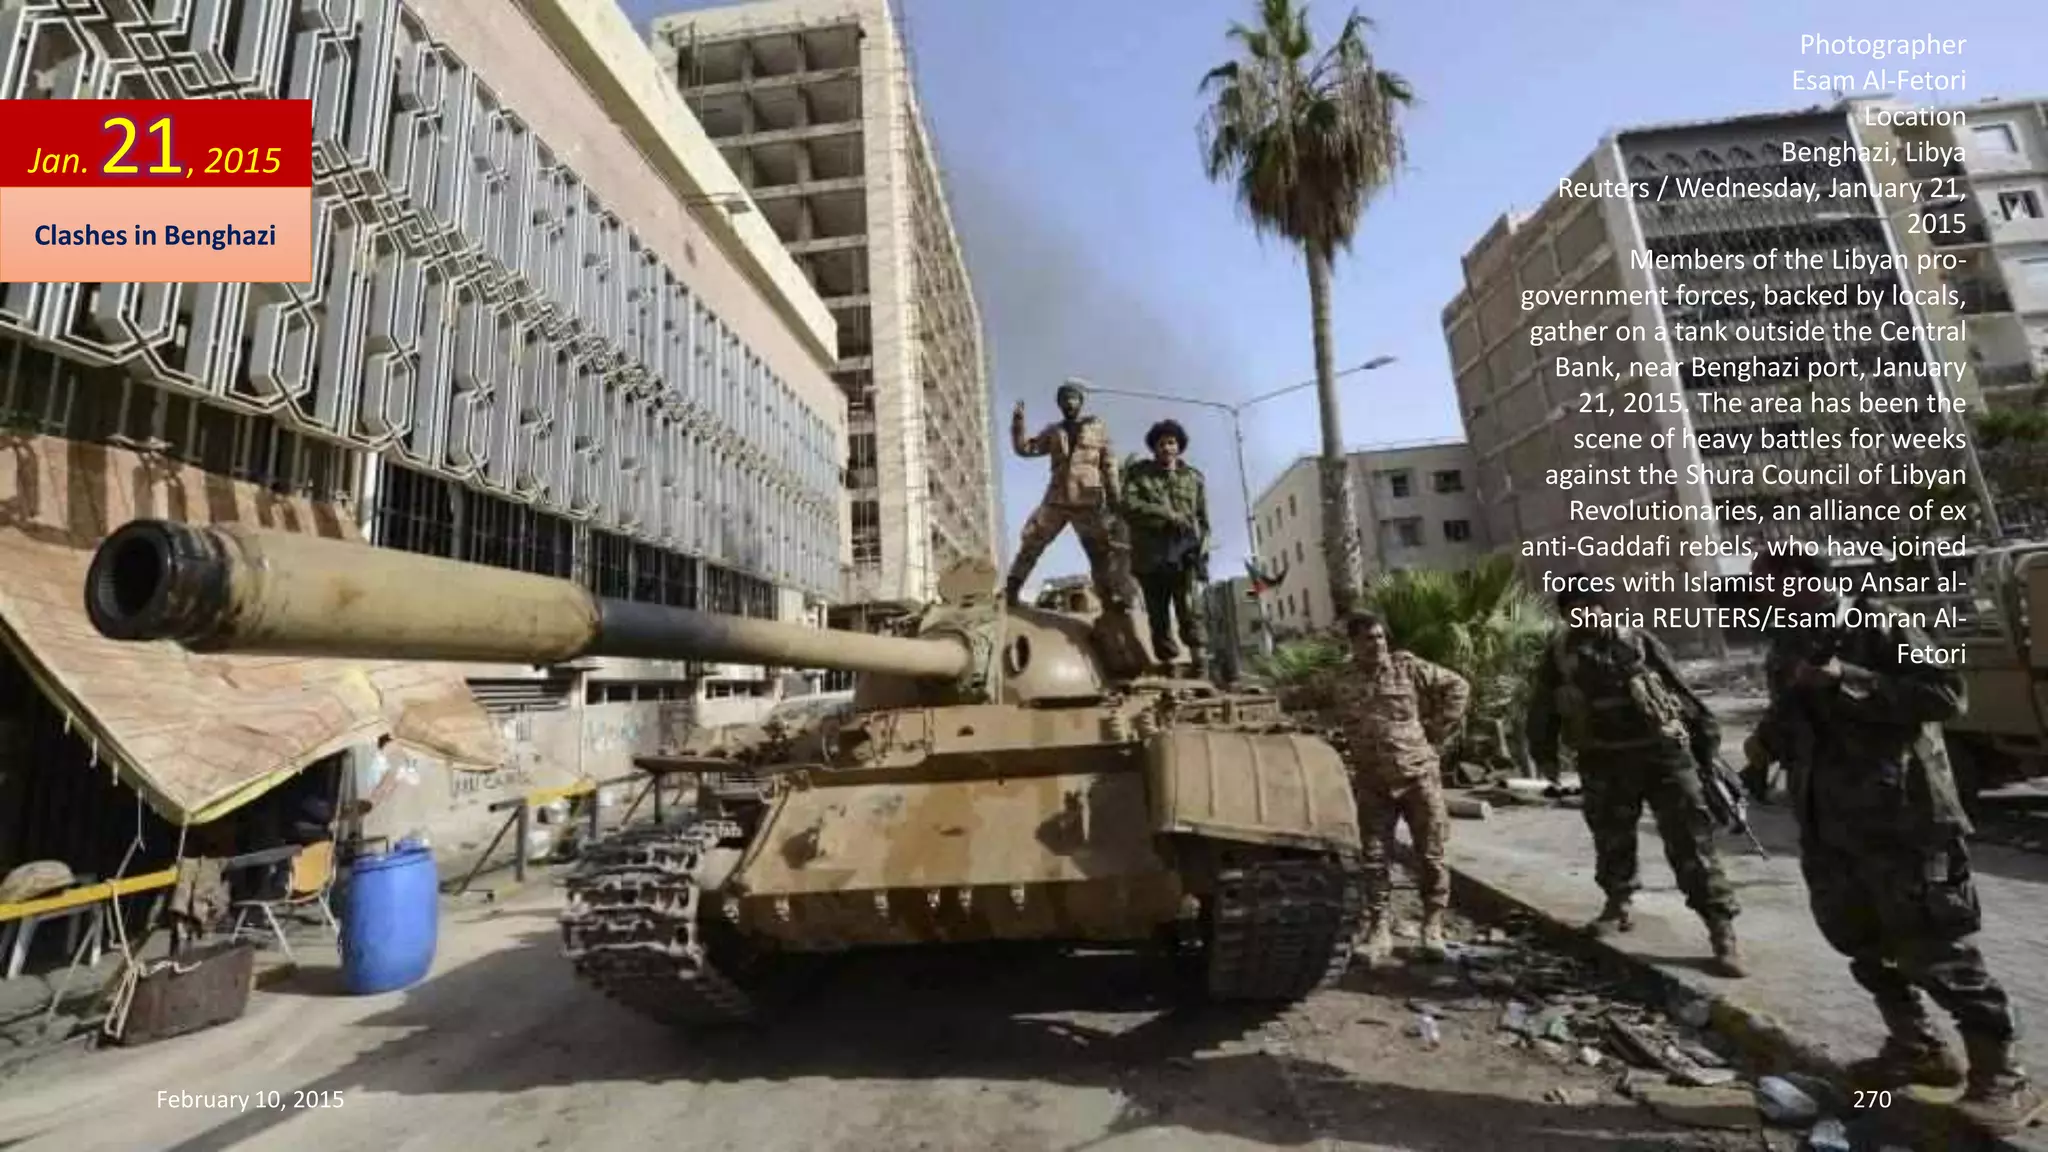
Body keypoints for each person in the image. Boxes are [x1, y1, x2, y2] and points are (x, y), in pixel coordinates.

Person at [1747, 545, 2044, 1133]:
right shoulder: (1787, 645)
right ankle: (1917, 1048)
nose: (1774, 598)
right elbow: (1792, 717)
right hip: (1829, 825)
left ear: (1812, 583)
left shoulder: (1878, 623)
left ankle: (2003, 1075)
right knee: (1858, 939)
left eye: (1781, 585)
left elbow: (1946, 696)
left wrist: (1850, 678)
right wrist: (1760, 751)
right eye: (1768, 589)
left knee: (1937, 948)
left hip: (1904, 822)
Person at [1526, 583, 1745, 976]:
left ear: (1603, 607)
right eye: (1573, 609)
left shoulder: (1639, 642)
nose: (1583, 615)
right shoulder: (1559, 656)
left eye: (1589, 606)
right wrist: (1543, 754)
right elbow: (1543, 707)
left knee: (1691, 843)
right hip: (1603, 760)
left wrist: (1707, 752)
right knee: (1612, 839)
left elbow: (1684, 695)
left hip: (1662, 757)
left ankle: (1721, 928)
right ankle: (1618, 904)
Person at [1327, 611, 1469, 964]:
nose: (1376, 644)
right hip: (1373, 783)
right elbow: (1305, 701)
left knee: (1431, 854)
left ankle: (1432, 926)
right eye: (1367, 639)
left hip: (1418, 775)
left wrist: (1437, 731)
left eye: (1379, 637)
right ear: (1353, 644)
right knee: (1374, 859)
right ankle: (1379, 929)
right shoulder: (1341, 680)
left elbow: (1458, 687)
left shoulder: (1407, 668)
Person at [1006, 379, 1134, 609]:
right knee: (1032, 542)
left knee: (1100, 552)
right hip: (1057, 498)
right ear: (1059, 404)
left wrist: (1115, 497)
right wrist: (1018, 424)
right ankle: (1012, 591)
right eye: (1064, 399)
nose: (1069, 402)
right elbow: (1025, 449)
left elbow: (1109, 464)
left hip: (1088, 499)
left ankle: (1109, 599)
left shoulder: (1098, 428)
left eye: (1073, 397)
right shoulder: (1054, 431)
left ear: (1081, 401)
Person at [1118, 419, 1211, 669]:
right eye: (1161, 443)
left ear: (1179, 446)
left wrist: (1202, 552)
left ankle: (1199, 662)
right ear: (1154, 448)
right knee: (1158, 615)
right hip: (1152, 557)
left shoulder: (1193, 478)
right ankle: (1169, 665)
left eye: (1171, 442)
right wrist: (1166, 514)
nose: (1167, 448)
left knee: (1190, 608)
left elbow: (1203, 520)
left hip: (1184, 556)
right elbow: (1128, 505)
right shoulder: (1140, 475)